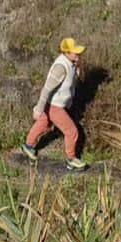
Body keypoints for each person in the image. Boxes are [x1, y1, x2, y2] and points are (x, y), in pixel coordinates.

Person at [20, 37, 88, 172]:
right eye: (75, 52)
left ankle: (28, 146)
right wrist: (39, 109)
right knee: (72, 131)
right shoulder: (60, 68)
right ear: (67, 52)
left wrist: (76, 70)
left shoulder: (71, 63)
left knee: (43, 124)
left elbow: (70, 79)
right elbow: (46, 89)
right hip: (54, 106)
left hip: (55, 104)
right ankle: (71, 159)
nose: (78, 54)